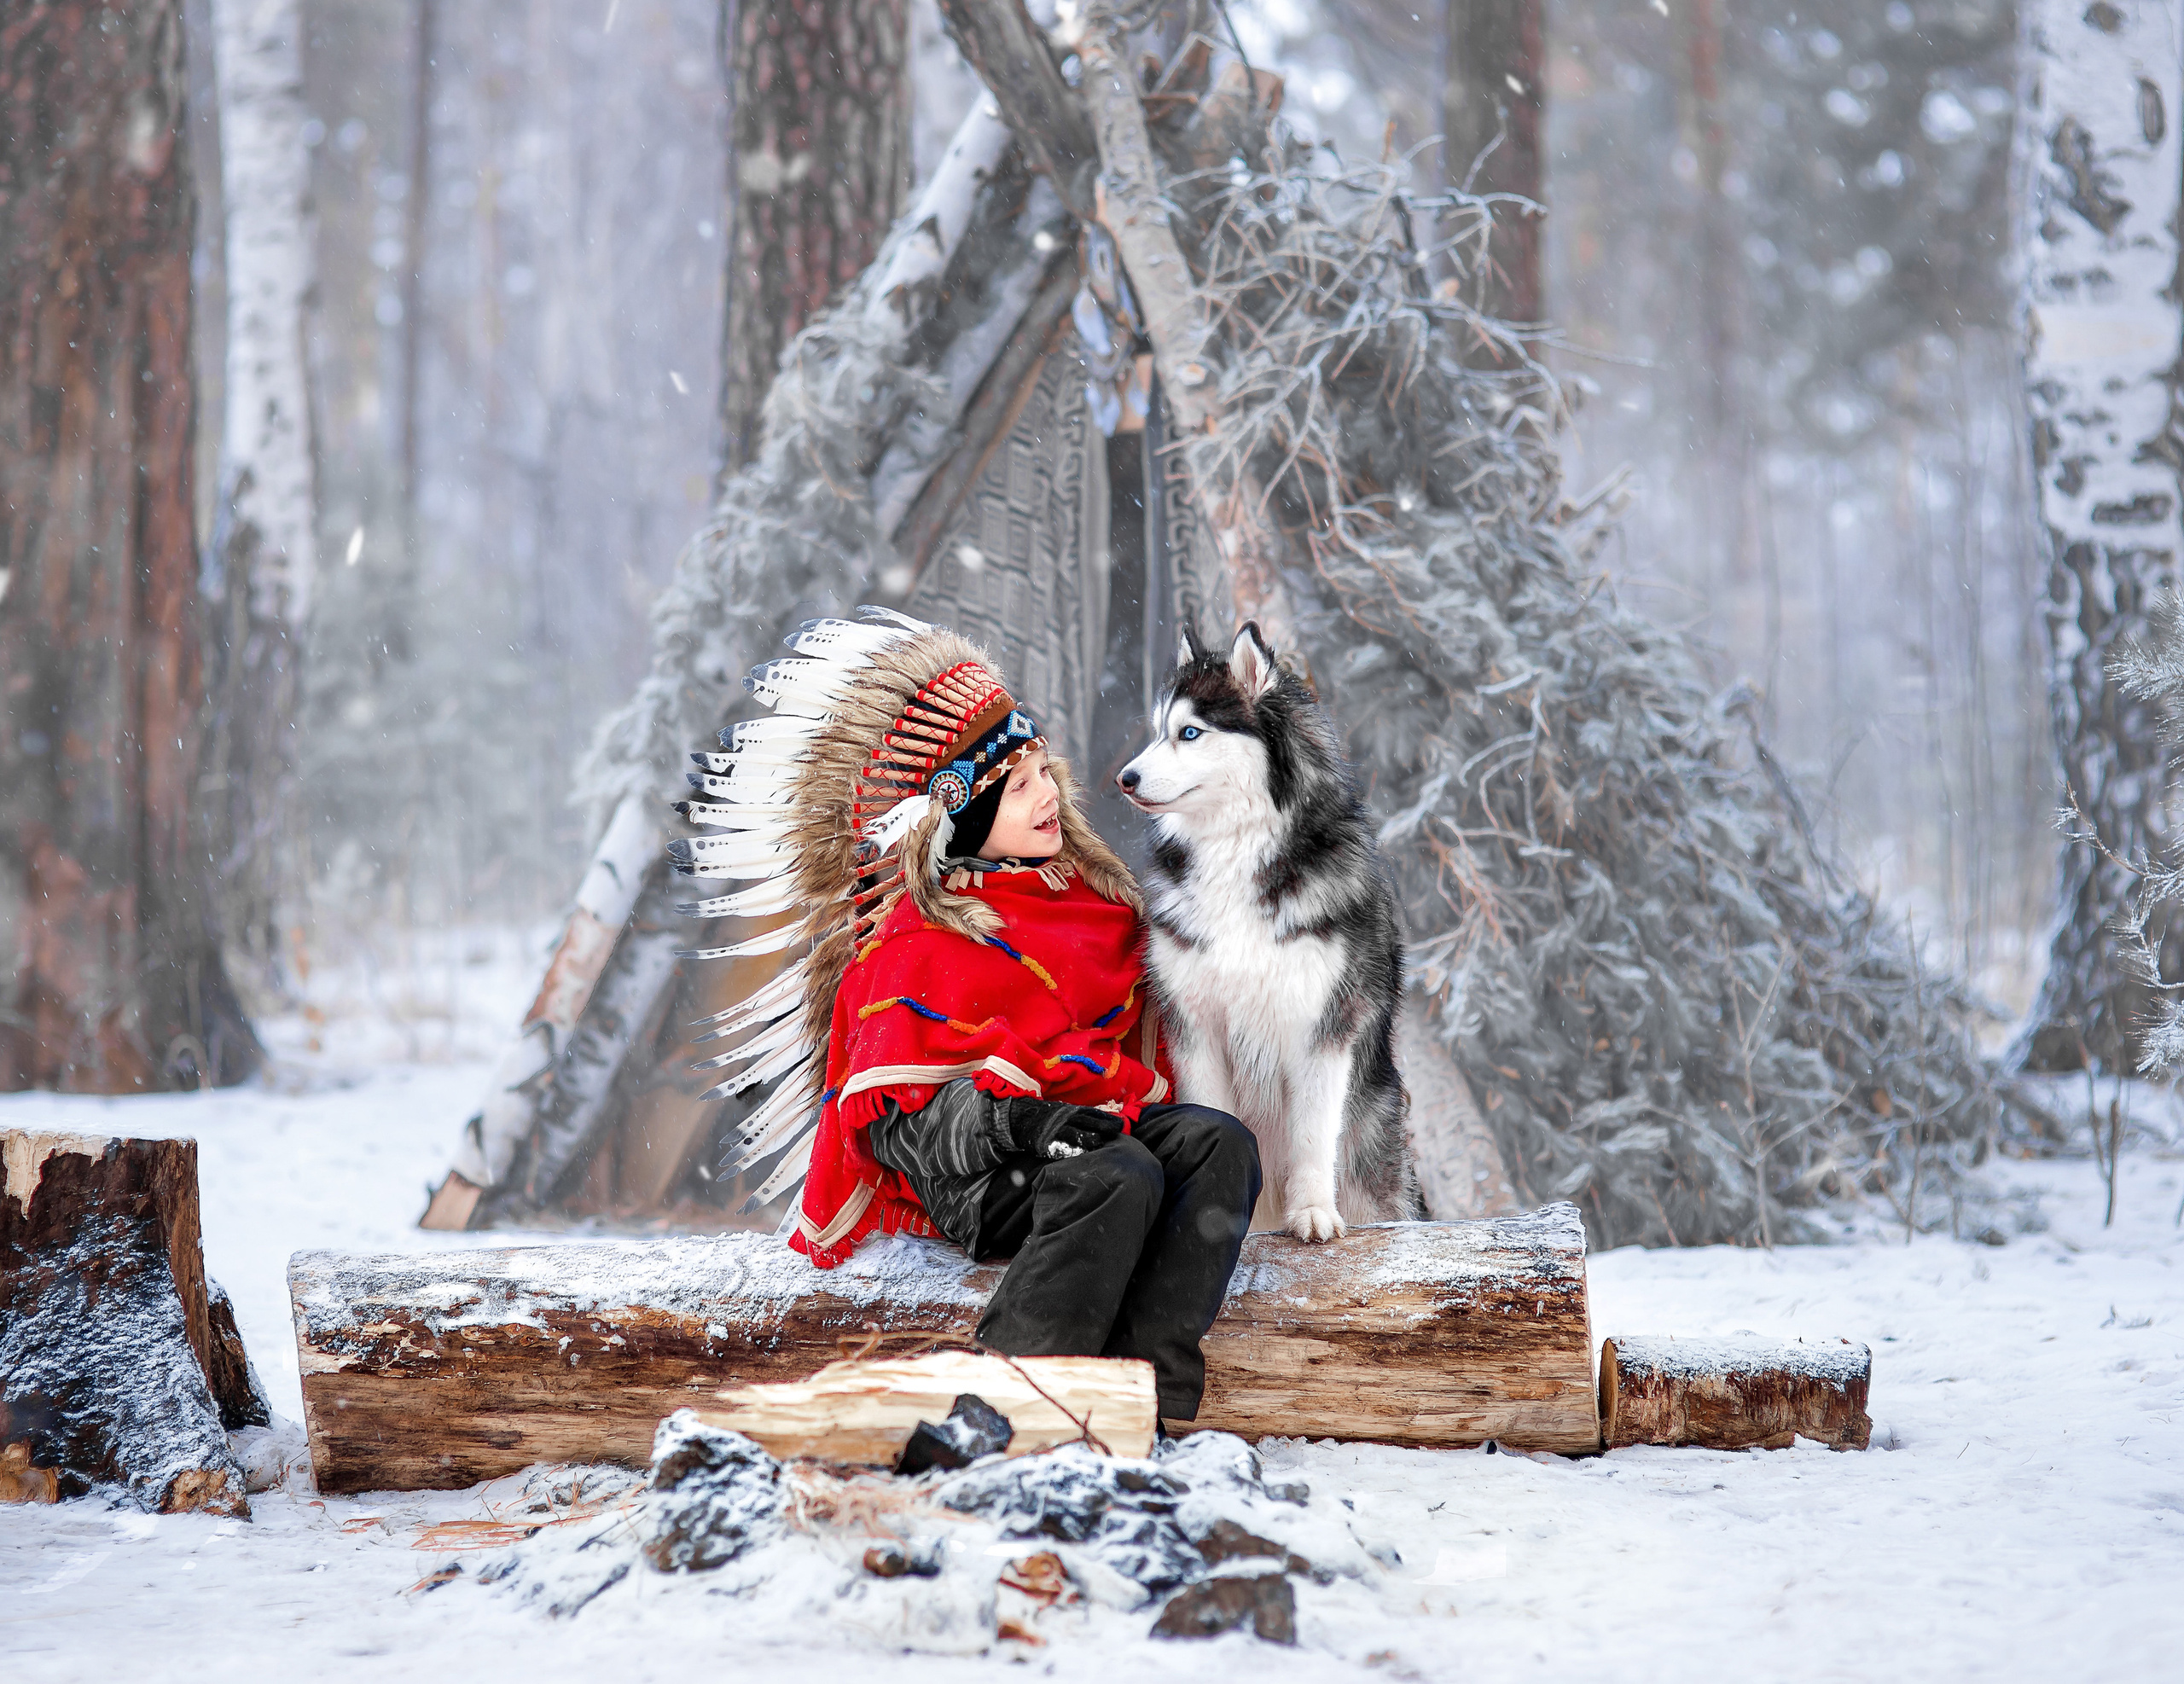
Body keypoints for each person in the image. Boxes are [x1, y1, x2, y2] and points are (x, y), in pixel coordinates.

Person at [706, 620, 1260, 1425]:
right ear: (961, 815)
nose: (1048, 795)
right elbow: (897, 1125)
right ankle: (995, 1416)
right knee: (1119, 1176)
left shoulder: (1089, 908)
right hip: (981, 1172)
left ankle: (1147, 1400)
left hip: (1099, 1132)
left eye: (1045, 772)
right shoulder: (917, 941)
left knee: (1217, 1145)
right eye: (1018, 784)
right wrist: (1036, 1125)